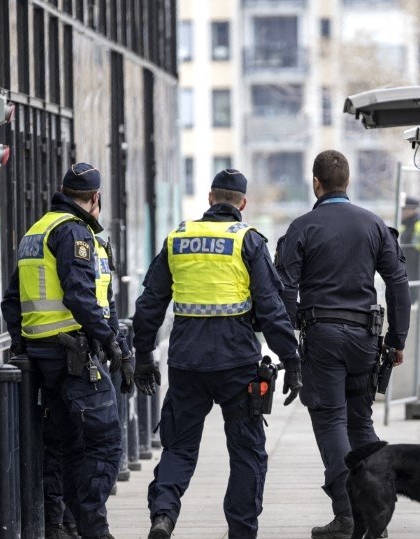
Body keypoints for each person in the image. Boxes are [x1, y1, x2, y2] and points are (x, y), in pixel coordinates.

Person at [131, 168, 301, 539]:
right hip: (237, 364)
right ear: (242, 203)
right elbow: (272, 310)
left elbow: (149, 305)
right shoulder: (248, 241)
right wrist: (292, 360)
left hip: (187, 363)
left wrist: (143, 356)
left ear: (210, 199)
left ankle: (163, 515)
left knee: (178, 447)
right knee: (246, 452)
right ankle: (241, 531)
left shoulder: (178, 238)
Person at [275, 150, 411, 539]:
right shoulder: (374, 225)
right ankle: (376, 517)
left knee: (332, 421)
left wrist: (288, 345)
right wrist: (397, 339)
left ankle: (349, 514)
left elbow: (284, 288)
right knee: (361, 422)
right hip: (366, 338)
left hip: (323, 337)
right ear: (347, 182)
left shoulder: (302, 227)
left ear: (316, 183)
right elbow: (398, 284)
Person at [0, 163, 133, 539]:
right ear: (96, 198)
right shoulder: (73, 232)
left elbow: (12, 300)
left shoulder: (35, 231)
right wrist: (111, 342)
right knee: (105, 444)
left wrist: (25, 345)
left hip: (46, 357)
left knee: (65, 443)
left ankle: (63, 525)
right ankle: (93, 528)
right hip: (75, 357)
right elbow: (81, 296)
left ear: (62, 189)